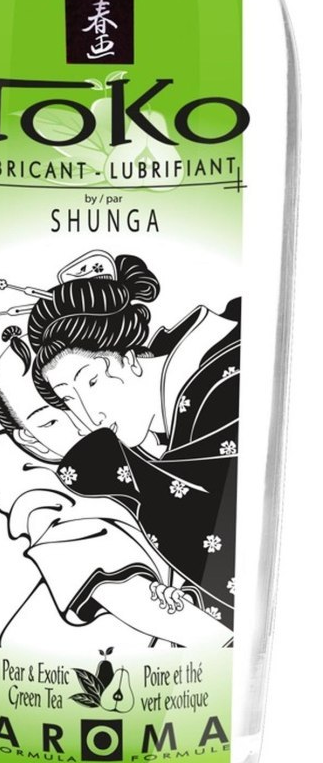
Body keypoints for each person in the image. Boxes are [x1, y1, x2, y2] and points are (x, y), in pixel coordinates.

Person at [27, 251, 240, 632]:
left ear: (131, 357)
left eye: (92, 381)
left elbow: (227, 538)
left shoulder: (226, 381)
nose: (89, 416)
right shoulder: (163, 431)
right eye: (68, 399)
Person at [0, 324, 233, 647]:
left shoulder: (152, 428)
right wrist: (220, 639)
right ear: (29, 439)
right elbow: (97, 569)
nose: (84, 419)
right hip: (73, 659)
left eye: (86, 389)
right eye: (51, 420)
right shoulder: (34, 481)